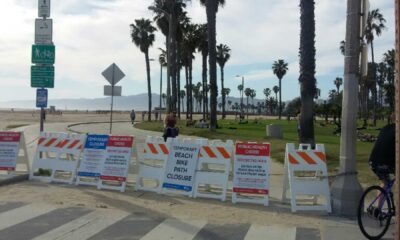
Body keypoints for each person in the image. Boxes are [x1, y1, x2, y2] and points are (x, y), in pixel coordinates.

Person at [369, 114, 395, 182]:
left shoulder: (385, 128)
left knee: (384, 183)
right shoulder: (397, 130)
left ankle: (381, 192)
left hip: (372, 162)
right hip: (385, 164)